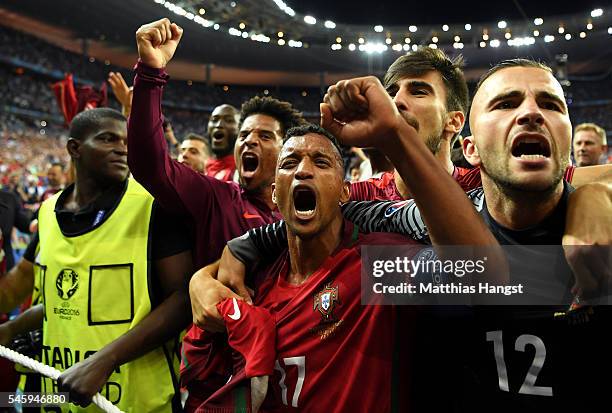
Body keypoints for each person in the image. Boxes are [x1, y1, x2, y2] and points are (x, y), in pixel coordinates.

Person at [191, 118, 500, 411]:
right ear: (275, 194)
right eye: (289, 163)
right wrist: (200, 278)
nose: (303, 171)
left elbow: (491, 279)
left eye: (321, 162)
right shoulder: (253, 279)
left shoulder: (380, 265)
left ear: (344, 191)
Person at [128, 18, 304, 410]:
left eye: (264, 136)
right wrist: (151, 74)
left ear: (288, 149)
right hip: (220, 386)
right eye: (244, 135)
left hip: (296, 379)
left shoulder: (311, 211)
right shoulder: (216, 197)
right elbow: (149, 164)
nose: (248, 142)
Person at [0, 108, 194, 412]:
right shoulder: (48, 213)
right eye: (108, 139)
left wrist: (106, 359)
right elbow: (62, 300)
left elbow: (183, 299)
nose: (122, 148)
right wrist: (12, 330)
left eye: (127, 141)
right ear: (74, 148)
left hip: (136, 403)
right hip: (58, 398)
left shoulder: (155, 205)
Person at [205, 104, 241, 181]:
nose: (219, 125)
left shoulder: (242, 174)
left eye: (229, 120)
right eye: (214, 120)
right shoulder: (203, 169)